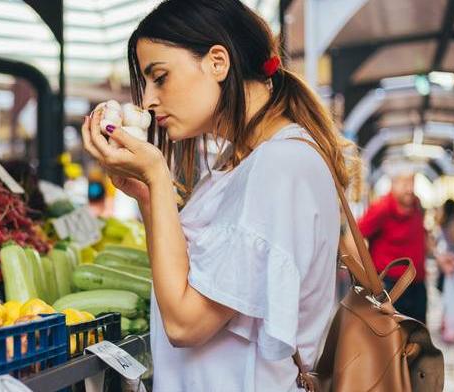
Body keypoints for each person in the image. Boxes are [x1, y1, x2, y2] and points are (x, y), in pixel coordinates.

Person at [81, 1, 357, 390]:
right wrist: (146, 195)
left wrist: (158, 176)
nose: (148, 101)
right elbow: (189, 278)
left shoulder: (279, 164)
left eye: (159, 77)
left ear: (217, 62)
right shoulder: (242, 163)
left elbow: (185, 322)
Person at [357, 172, 454, 324]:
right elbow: (355, 236)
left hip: (417, 286)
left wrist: (439, 258)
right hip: (390, 288)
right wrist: (365, 276)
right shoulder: (381, 208)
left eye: (412, 182)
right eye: (404, 183)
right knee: (392, 339)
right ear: (393, 184)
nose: (409, 188)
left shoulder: (417, 205)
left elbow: (422, 238)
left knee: (419, 335)